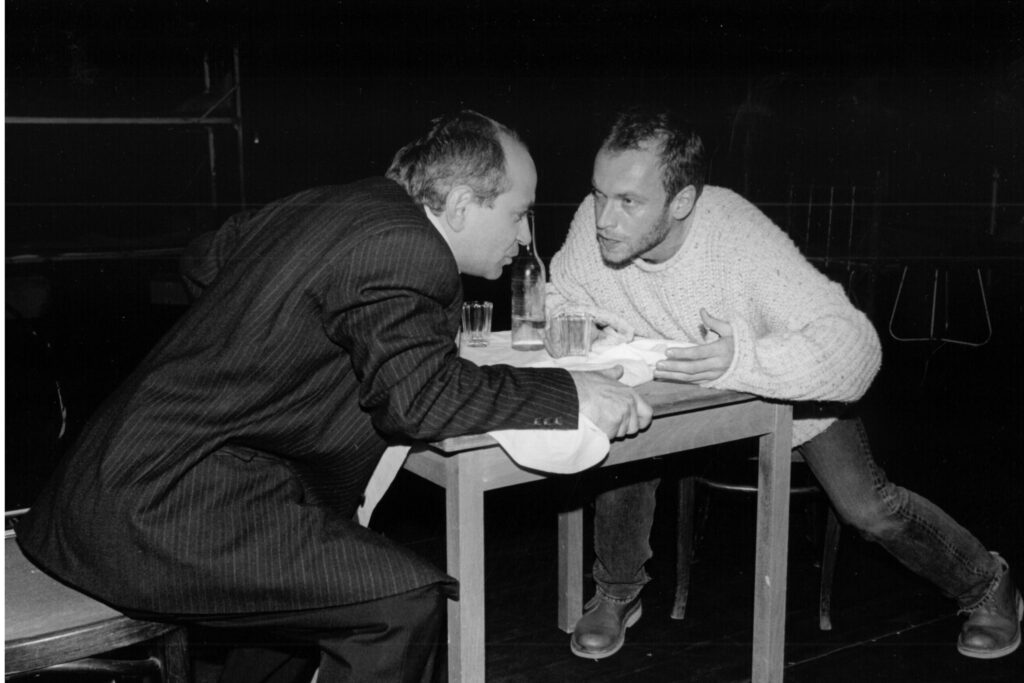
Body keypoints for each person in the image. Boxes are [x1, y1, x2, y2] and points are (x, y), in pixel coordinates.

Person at [16, 110, 653, 683]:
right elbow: (420, 401)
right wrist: (571, 391)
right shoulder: (409, 248)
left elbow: (204, 260)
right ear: (462, 204)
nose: (524, 239)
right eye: (518, 214)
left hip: (112, 484)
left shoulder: (331, 203)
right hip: (154, 508)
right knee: (399, 605)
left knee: (319, 595)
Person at [548, 106, 1022, 661]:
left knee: (868, 509)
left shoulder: (738, 236)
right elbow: (562, 294)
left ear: (681, 202)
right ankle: (617, 591)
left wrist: (746, 358)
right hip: (675, 395)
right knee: (621, 433)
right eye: (599, 194)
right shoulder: (595, 222)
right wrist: (576, 325)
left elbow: (857, 345)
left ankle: (988, 583)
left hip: (786, 395)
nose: (604, 218)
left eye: (628, 202)